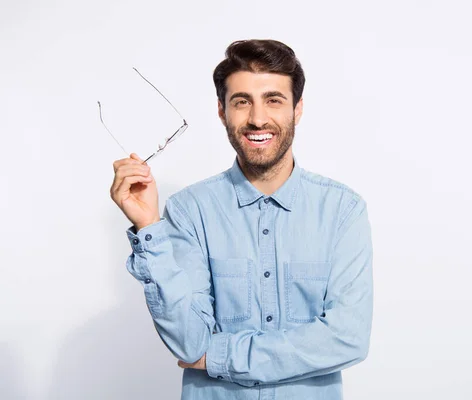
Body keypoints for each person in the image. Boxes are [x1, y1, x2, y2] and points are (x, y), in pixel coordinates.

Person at [110, 39, 373, 400]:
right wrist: (148, 226)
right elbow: (189, 343)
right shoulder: (189, 211)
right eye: (242, 101)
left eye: (273, 100)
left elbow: (347, 338)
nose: (257, 118)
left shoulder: (343, 210)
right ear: (222, 111)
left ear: (297, 109)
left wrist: (219, 355)